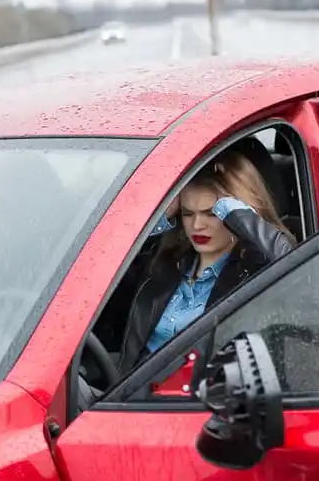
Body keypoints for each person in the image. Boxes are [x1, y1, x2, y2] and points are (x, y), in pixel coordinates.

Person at [116, 150, 297, 375]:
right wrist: (160, 215)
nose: (197, 225)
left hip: (206, 403)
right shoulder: (165, 264)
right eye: (188, 213)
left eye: (212, 213)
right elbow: (107, 262)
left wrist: (229, 207)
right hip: (132, 399)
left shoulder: (253, 270)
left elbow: (288, 262)